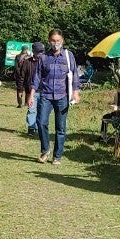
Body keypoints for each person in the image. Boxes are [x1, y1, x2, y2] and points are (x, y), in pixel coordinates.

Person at [28, 29, 80, 165]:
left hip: (62, 96)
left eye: (58, 41)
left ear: (62, 41)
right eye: (53, 41)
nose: (56, 43)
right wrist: (31, 95)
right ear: (49, 41)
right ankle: (45, 150)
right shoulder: (44, 57)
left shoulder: (68, 56)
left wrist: (76, 92)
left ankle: (57, 156)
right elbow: (36, 77)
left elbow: (74, 74)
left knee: (60, 127)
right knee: (41, 122)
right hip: (46, 95)